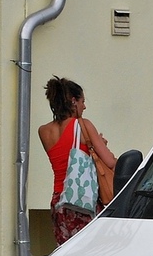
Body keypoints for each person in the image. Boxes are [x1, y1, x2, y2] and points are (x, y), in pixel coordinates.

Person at [38, 75, 115, 246]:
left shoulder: (44, 131)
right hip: (81, 200)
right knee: (90, 251)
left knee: (66, 253)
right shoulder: (83, 125)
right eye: (82, 101)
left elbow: (64, 158)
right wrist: (101, 145)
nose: (84, 106)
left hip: (59, 201)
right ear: (74, 101)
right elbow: (109, 162)